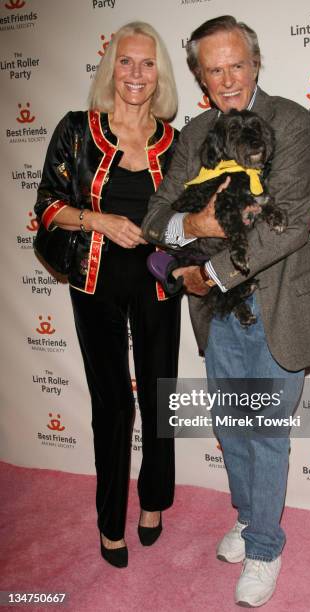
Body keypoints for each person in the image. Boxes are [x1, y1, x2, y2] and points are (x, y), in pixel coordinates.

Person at [142, 15, 310, 607]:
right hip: (220, 314)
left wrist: (209, 271)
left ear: (255, 63)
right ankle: (250, 516)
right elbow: (158, 217)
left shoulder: (291, 120)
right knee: (232, 427)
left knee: (266, 433)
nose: (227, 78)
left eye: (236, 64)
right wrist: (194, 224)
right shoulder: (194, 131)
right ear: (200, 77)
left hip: (278, 303)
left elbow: (292, 218)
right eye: (214, 69)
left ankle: (265, 546)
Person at [34, 21, 181, 568]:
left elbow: (190, 216)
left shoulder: (177, 139)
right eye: (126, 61)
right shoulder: (76, 129)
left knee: (160, 395)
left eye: (147, 63)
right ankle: (109, 521)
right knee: (113, 404)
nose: (136, 73)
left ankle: (155, 501)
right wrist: (98, 219)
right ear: (110, 68)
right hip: (94, 281)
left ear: (159, 73)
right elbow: (48, 205)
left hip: (161, 282)